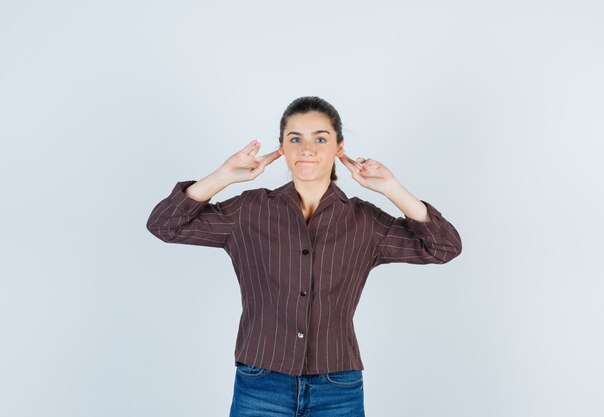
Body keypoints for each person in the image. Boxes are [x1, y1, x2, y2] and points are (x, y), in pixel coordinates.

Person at [146, 96, 462, 416]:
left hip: (338, 388)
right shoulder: (247, 211)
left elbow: (444, 248)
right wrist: (223, 176)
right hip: (260, 383)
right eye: (295, 138)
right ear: (282, 148)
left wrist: (392, 189)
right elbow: (164, 226)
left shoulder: (365, 222)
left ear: (339, 147)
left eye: (320, 138)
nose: (306, 148)